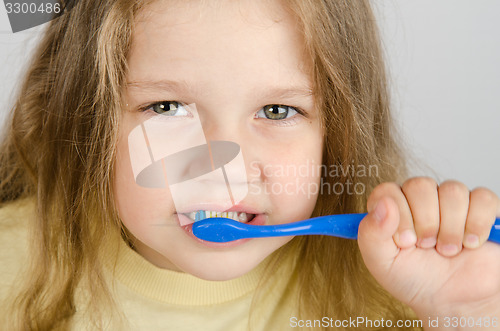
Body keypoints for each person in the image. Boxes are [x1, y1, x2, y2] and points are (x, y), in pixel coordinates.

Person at [1, 0, 499, 330]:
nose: (224, 169)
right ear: (86, 118)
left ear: (339, 137)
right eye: (168, 109)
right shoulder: (10, 264)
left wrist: (468, 313)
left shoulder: (396, 291)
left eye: (277, 111)